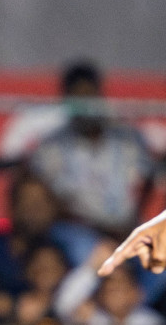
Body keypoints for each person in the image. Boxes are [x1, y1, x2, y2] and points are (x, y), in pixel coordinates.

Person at [29, 62, 157, 240]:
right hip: (77, 233)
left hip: (128, 229)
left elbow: (149, 177)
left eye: (89, 97)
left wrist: (133, 219)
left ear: (99, 96)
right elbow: (47, 197)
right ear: (66, 100)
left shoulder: (128, 139)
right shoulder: (52, 146)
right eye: (78, 99)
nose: (85, 107)